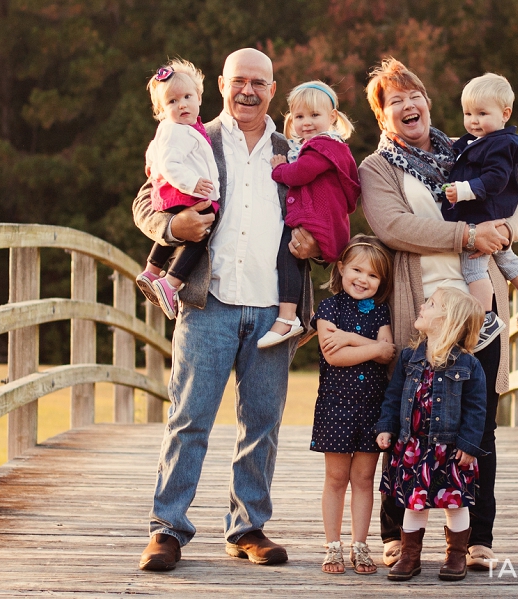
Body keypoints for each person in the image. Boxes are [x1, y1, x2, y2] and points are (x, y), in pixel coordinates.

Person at [133, 48, 321, 572]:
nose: (248, 91)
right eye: (239, 81)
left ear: (273, 88)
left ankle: (247, 527)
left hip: (273, 310)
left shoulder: (294, 150)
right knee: (190, 417)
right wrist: (172, 230)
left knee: (262, 421)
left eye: (259, 83)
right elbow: (147, 201)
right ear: (221, 84)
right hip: (208, 302)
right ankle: (168, 528)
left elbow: (324, 213)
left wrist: (316, 245)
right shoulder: (194, 134)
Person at [358, 57, 518, 571]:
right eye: (394, 101)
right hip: (422, 309)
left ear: (429, 103)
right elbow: (393, 226)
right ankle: (398, 534)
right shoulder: (377, 168)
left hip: (477, 307)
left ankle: (478, 538)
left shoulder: (468, 148)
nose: (408, 105)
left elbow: (512, 194)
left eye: (415, 96)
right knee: (410, 419)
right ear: (382, 117)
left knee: (480, 425)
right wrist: (467, 234)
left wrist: (507, 228)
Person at [375, 286, 487, 582]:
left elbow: (477, 410)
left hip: (450, 450)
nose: (422, 306)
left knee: (456, 502)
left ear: (447, 320)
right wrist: (386, 427)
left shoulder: (468, 365)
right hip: (413, 448)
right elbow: (394, 395)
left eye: (431, 304)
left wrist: (469, 444)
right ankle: (410, 556)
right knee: (414, 503)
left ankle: (455, 555)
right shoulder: (409, 358)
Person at [442, 72, 518, 349]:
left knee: (473, 267)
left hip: (483, 214)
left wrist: (465, 189)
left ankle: (486, 318)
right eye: (467, 113)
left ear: (505, 114)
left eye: (481, 113)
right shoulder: (481, 140)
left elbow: (496, 178)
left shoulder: (500, 145)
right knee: (504, 255)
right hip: (490, 212)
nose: (473, 121)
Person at [310, 236, 396, 574]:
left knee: (363, 478)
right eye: (357, 269)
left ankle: (360, 545)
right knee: (335, 478)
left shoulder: (382, 310)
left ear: (382, 282)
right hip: (336, 407)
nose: (363, 279)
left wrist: (350, 338)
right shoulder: (329, 309)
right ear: (341, 267)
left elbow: (390, 352)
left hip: (372, 408)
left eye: (373, 275)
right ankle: (333, 545)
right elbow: (335, 356)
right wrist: (373, 347)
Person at [258, 81, 361, 348]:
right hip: (322, 218)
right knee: (291, 256)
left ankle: (289, 316)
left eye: (315, 115)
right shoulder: (314, 146)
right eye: (299, 116)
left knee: (287, 252)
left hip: (320, 219)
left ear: (332, 117)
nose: (306, 122)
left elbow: (300, 173)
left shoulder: (324, 147)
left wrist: (279, 170)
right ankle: (307, 317)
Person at [134, 59, 220, 320]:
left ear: (199, 98)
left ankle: (152, 270)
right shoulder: (178, 130)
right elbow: (169, 164)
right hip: (183, 193)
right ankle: (171, 282)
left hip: (176, 192)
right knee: (202, 232)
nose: (181, 104)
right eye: (172, 102)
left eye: (186, 97)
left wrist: (151, 164)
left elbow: (154, 151)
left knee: (191, 230)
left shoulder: (176, 129)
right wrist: (191, 183)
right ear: (162, 110)